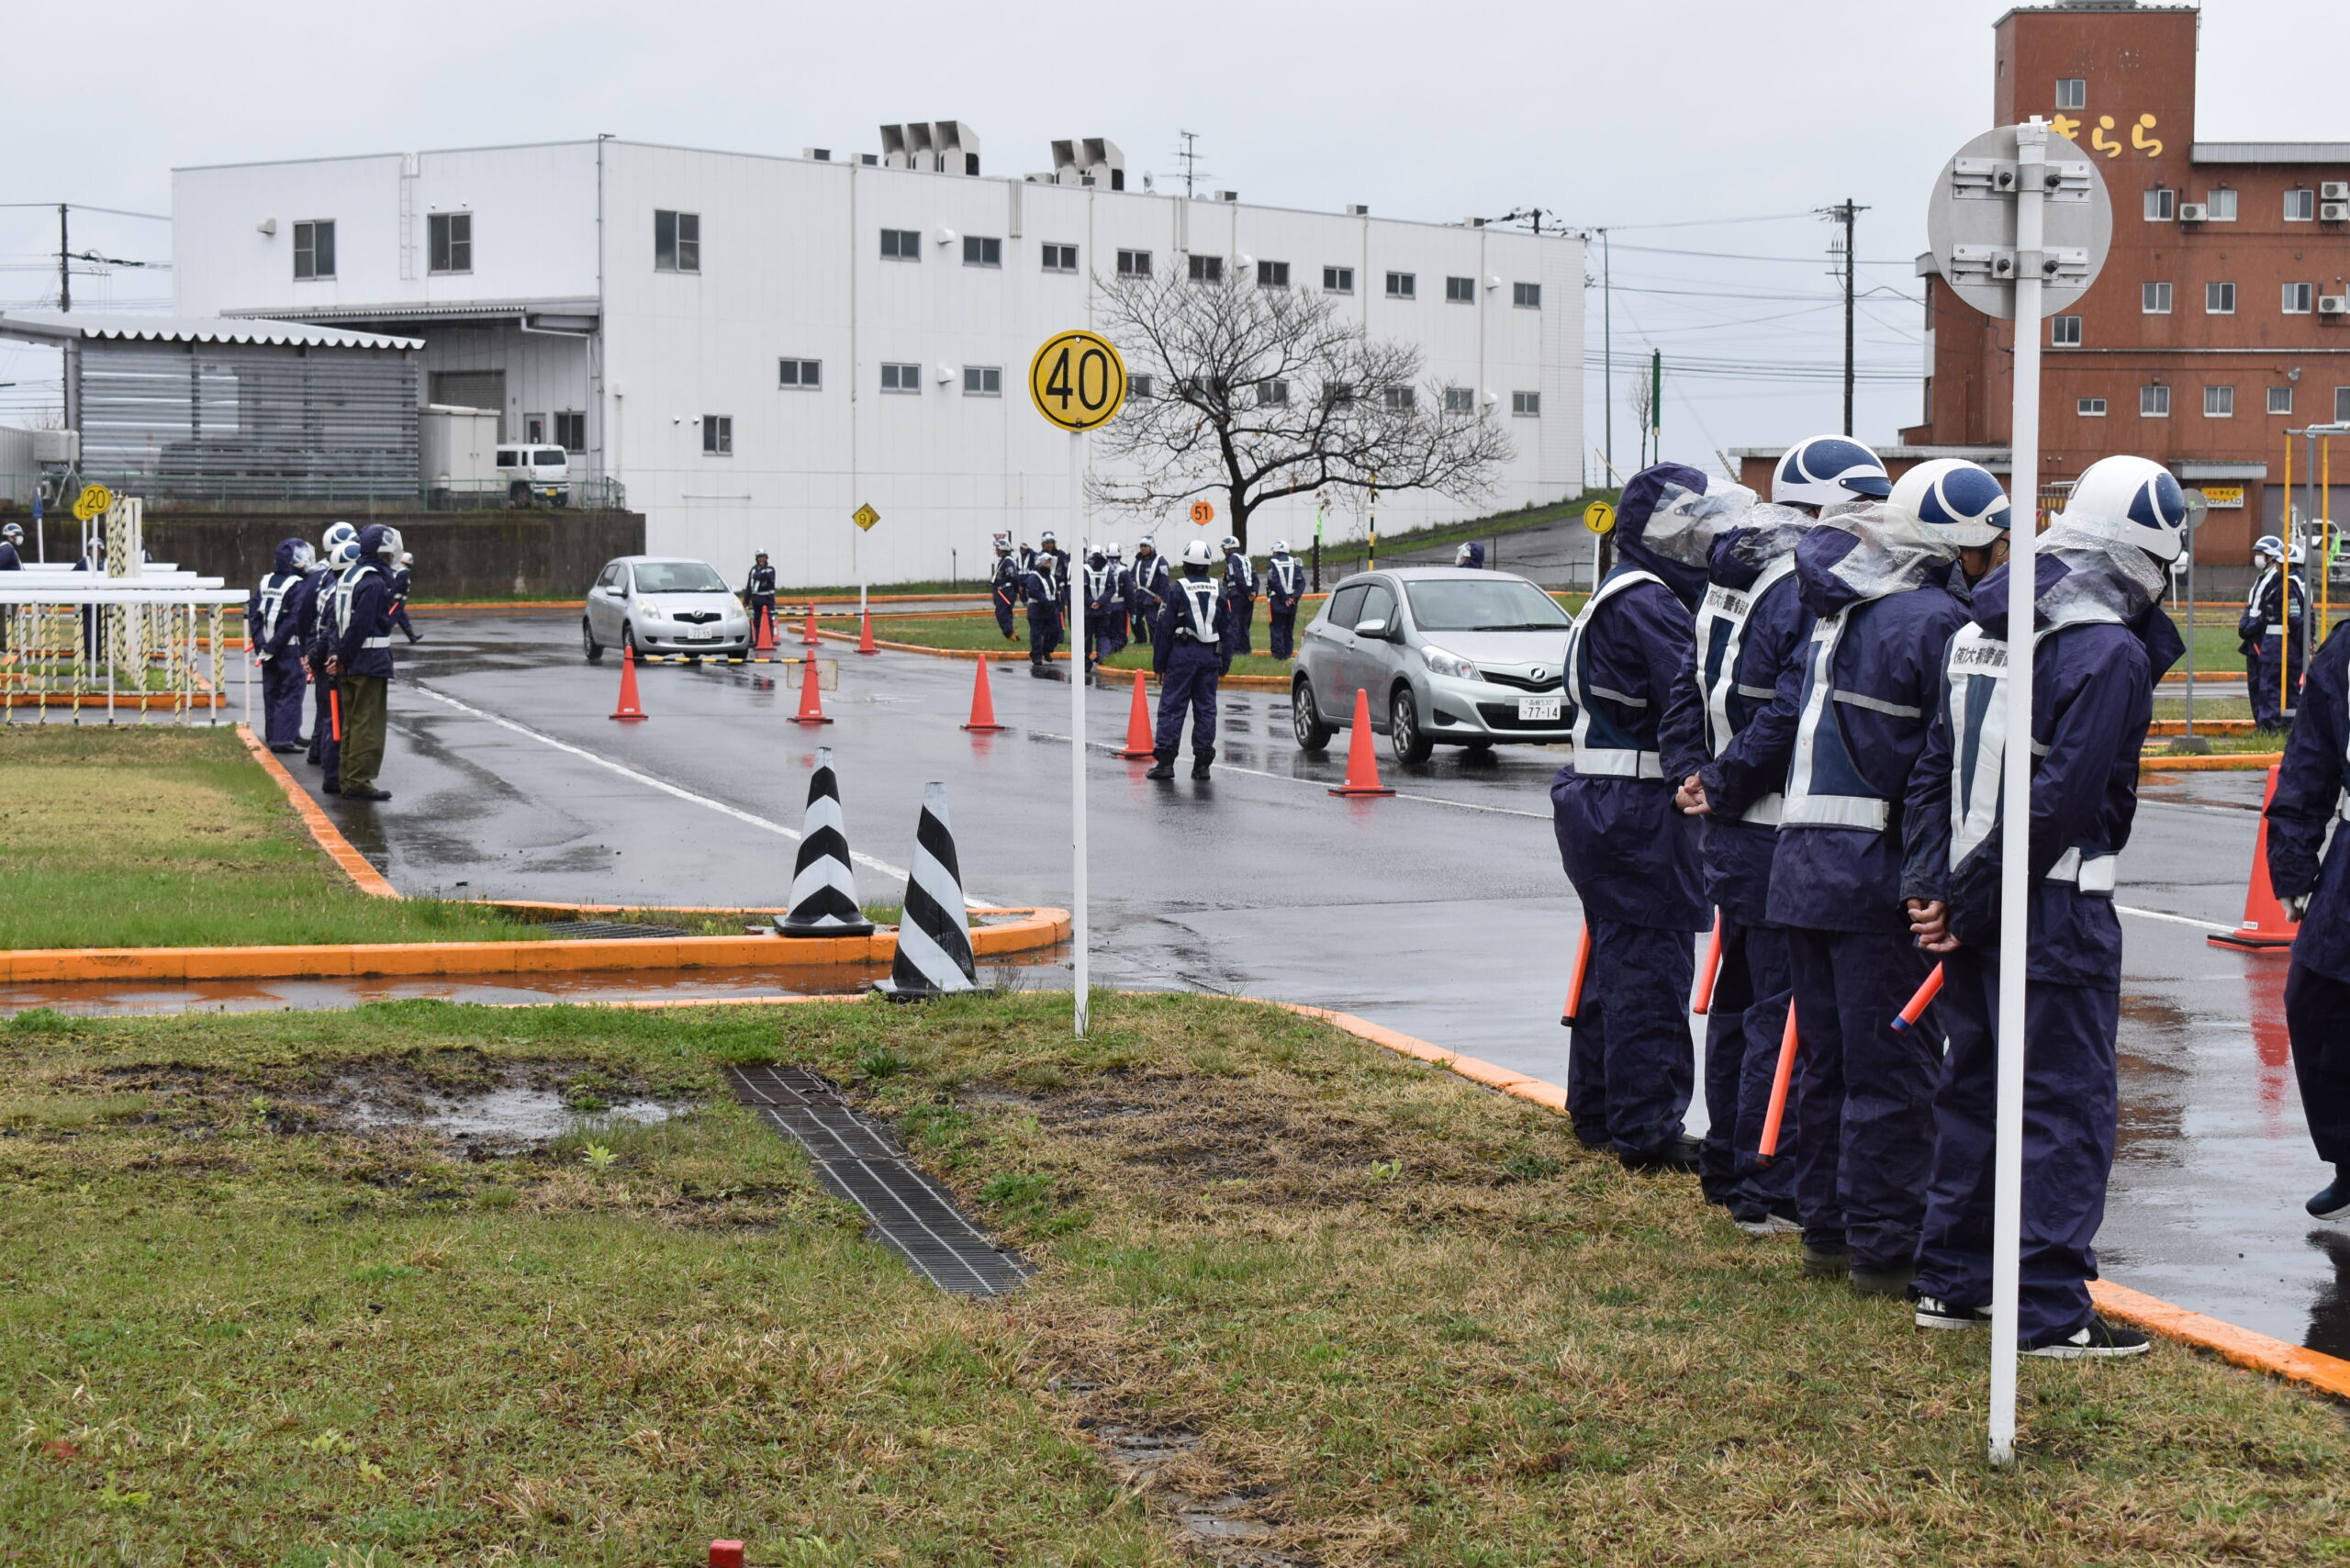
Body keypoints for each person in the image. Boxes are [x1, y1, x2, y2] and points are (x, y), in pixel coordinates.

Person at [1902, 454, 2186, 1358]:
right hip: (2050, 909)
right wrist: (1973, 901)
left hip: (1972, 900)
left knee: (1974, 1092)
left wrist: (1936, 891)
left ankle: (1953, 1282)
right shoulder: (2104, 649)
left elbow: (1932, 771)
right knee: (2061, 1104)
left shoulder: (1986, 629)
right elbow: (2059, 801)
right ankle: (2046, 1309)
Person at [1765, 434, 1970, 1297]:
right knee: (1893, 1072)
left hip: (1802, 871)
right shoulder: (1936, 624)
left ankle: (1828, 1233)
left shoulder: (1838, 613)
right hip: (1873, 879)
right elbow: (1939, 767)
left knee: (1825, 1064)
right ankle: (1887, 1251)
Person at [1662, 485, 1815, 1232]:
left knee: (1736, 1000)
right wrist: (1720, 783)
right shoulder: (1795, 590)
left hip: (1728, 829)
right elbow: (1788, 712)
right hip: (1771, 827)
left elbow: (1685, 693)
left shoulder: (1729, 584)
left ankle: (1726, 1164)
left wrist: (1696, 776)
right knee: (1776, 1014)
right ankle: (1764, 1182)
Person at [1552, 463, 1711, 1171]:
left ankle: (1597, 1110)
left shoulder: (1621, 590)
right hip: (1639, 808)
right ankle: (1645, 1129)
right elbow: (1694, 696)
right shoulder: (1652, 603)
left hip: (1604, 802)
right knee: (1649, 967)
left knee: (1614, 961)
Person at [2266, 555, 2350, 1226]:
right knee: (2316, 1000)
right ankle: (2349, 1159)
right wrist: (2293, 869)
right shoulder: (2345, 650)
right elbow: (2310, 761)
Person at [327, 523, 402, 802]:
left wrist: (337, 655)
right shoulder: (374, 581)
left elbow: (336, 620)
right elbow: (364, 623)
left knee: (352, 723)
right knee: (366, 724)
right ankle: (359, 781)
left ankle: (348, 777)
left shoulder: (350, 574)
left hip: (349, 661)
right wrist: (344, 656)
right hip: (368, 661)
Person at [1147, 538, 1228, 779]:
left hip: (1182, 654)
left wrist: (1159, 665)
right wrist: (1225, 662)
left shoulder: (1176, 589)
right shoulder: (1219, 590)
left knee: (1173, 706)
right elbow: (1228, 630)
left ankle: (1166, 763)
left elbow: (1164, 629)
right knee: (1206, 709)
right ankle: (1202, 765)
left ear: (1185, 565)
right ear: (1207, 565)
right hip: (1210, 656)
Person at [248, 538, 314, 752]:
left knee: (273, 690)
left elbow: (254, 615)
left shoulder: (266, 581)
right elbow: (294, 619)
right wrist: (274, 646)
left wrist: (262, 646)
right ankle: (283, 738)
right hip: (288, 647)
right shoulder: (297, 585)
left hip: (268, 647)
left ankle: (280, 733)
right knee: (292, 690)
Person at [2242, 534, 2310, 734]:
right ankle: (2277, 726)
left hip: (2279, 645)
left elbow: (2295, 617)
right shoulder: (2284, 581)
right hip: (2278, 645)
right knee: (2277, 688)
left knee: (2272, 688)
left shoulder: (2288, 584)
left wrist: (2305, 642)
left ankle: (2272, 727)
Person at [303, 535, 352, 769]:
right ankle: (330, 763)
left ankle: (318, 751)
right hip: (328, 653)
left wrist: (309, 652)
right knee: (333, 713)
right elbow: (333, 627)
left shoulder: (320, 576)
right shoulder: (340, 586)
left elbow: (307, 615)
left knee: (324, 709)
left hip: (318, 647)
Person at [1021, 541, 1064, 677]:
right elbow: (1033, 591)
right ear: (1040, 563)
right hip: (1037, 609)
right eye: (1046, 562)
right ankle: (1037, 656)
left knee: (1055, 632)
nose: (1049, 564)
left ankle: (1047, 650)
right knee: (1036, 635)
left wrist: (1058, 605)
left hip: (1050, 609)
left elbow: (1056, 592)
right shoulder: (1034, 577)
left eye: (1049, 562)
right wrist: (1046, 602)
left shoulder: (1051, 576)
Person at [1081, 545, 1121, 677]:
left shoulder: (1085, 568)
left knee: (1087, 637)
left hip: (1088, 611)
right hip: (1104, 610)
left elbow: (1082, 589)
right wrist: (1101, 602)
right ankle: (1103, 658)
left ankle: (1086, 664)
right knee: (1103, 636)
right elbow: (1112, 589)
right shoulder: (1107, 569)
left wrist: (1091, 602)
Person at [1263, 539, 1305, 659]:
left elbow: (1272, 581)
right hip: (1292, 603)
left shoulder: (1273, 563)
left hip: (1278, 600)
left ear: (1277, 551)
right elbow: (1301, 583)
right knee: (1288, 628)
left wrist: (1285, 598)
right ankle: (1288, 652)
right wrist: (1294, 598)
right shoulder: (1295, 562)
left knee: (1277, 627)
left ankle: (1279, 654)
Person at [1219, 535, 1257, 656]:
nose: (1224, 552)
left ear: (1230, 548)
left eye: (1225, 549)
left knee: (1235, 622)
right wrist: (1253, 592)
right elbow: (1255, 578)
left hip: (1237, 595)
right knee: (1245, 623)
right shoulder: (1246, 558)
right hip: (1248, 596)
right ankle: (1246, 648)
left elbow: (1237, 577)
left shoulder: (1233, 560)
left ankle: (1237, 649)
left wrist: (1246, 591)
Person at [1128, 535, 1167, 648]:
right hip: (1139, 596)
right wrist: (1132, 582)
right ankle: (1140, 638)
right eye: (1141, 546)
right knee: (1134, 618)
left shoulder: (1160, 560)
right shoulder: (1138, 560)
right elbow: (1131, 575)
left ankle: (1155, 641)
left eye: (1145, 546)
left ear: (1151, 547)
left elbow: (1164, 579)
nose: (1143, 548)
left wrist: (1161, 595)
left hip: (1152, 597)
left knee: (1152, 620)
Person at [989, 534, 1022, 641]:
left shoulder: (1008, 561)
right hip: (1001, 592)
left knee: (1003, 614)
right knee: (1001, 613)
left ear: (1003, 550)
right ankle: (1010, 634)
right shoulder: (1004, 560)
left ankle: (1011, 635)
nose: (996, 551)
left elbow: (1014, 576)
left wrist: (1016, 591)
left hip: (1006, 592)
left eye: (998, 549)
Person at [743, 550, 778, 645]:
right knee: (757, 621)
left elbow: (768, 576)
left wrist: (758, 575)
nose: (761, 559)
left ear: (766, 558)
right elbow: (749, 586)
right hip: (756, 600)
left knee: (769, 620)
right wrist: (746, 601)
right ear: (757, 559)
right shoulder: (753, 569)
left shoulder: (770, 568)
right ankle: (758, 641)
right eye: (760, 557)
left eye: (763, 557)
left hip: (768, 600)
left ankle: (770, 640)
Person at [390, 549, 422, 644]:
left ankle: (412, 637)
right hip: (397, 600)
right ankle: (383, 635)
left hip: (398, 600)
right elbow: (399, 586)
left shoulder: (399, 570)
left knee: (402, 618)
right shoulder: (404, 572)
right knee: (391, 619)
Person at [0, 521, 20, 653]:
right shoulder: (7, 548)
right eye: (18, 535)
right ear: (10, 536)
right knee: (5, 619)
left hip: (9, 591)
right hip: (7, 591)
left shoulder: (7, 548)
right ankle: (3, 646)